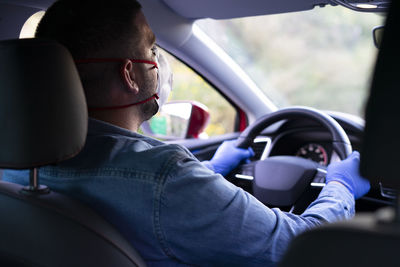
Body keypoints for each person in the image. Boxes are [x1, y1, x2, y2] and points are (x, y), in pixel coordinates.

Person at [3, 0, 371, 266]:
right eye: (152, 46)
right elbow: (295, 248)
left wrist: (209, 171)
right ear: (131, 75)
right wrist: (341, 186)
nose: (159, 61)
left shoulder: (13, 167)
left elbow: (145, 203)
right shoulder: (164, 177)